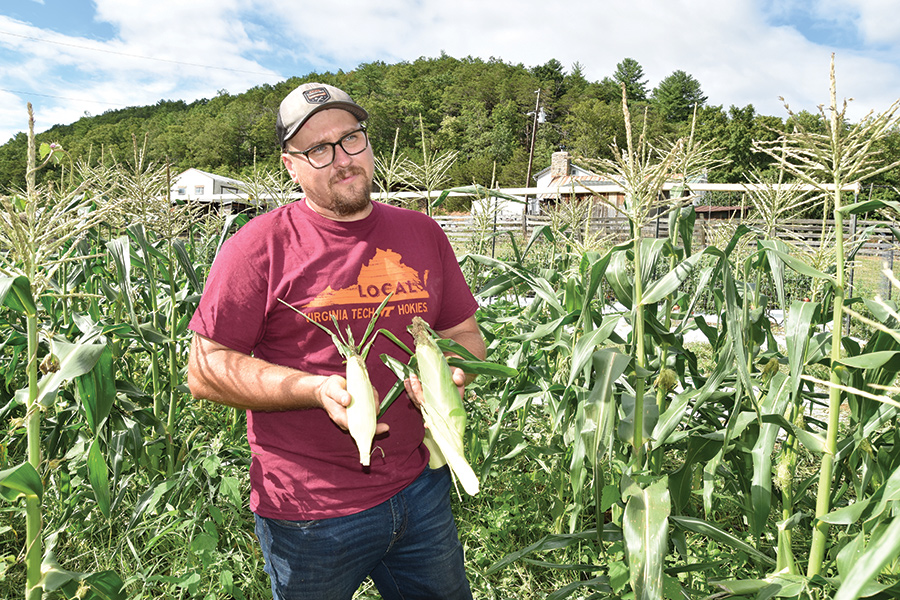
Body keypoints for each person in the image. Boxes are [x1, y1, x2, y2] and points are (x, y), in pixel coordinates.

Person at [186, 82, 486, 600]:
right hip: (309, 512)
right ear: (290, 166)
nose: (342, 159)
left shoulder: (423, 233)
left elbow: (464, 335)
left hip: (422, 490)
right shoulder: (256, 247)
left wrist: (454, 374)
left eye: (350, 139)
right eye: (318, 150)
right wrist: (314, 390)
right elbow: (206, 369)